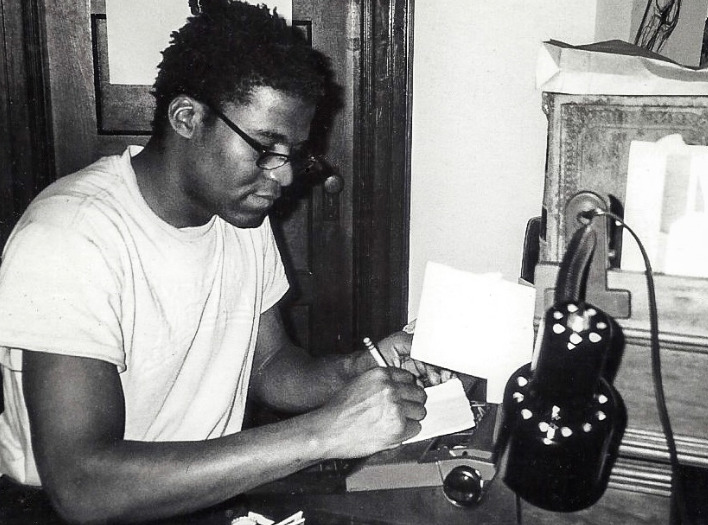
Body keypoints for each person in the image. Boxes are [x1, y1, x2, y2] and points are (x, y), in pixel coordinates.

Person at [0, 1, 450, 522]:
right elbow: (84, 487)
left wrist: (366, 364)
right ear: (187, 118)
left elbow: (269, 367)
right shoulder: (70, 238)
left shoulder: (241, 218)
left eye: (291, 154)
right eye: (264, 148)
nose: (281, 177)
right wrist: (325, 432)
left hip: (203, 499)